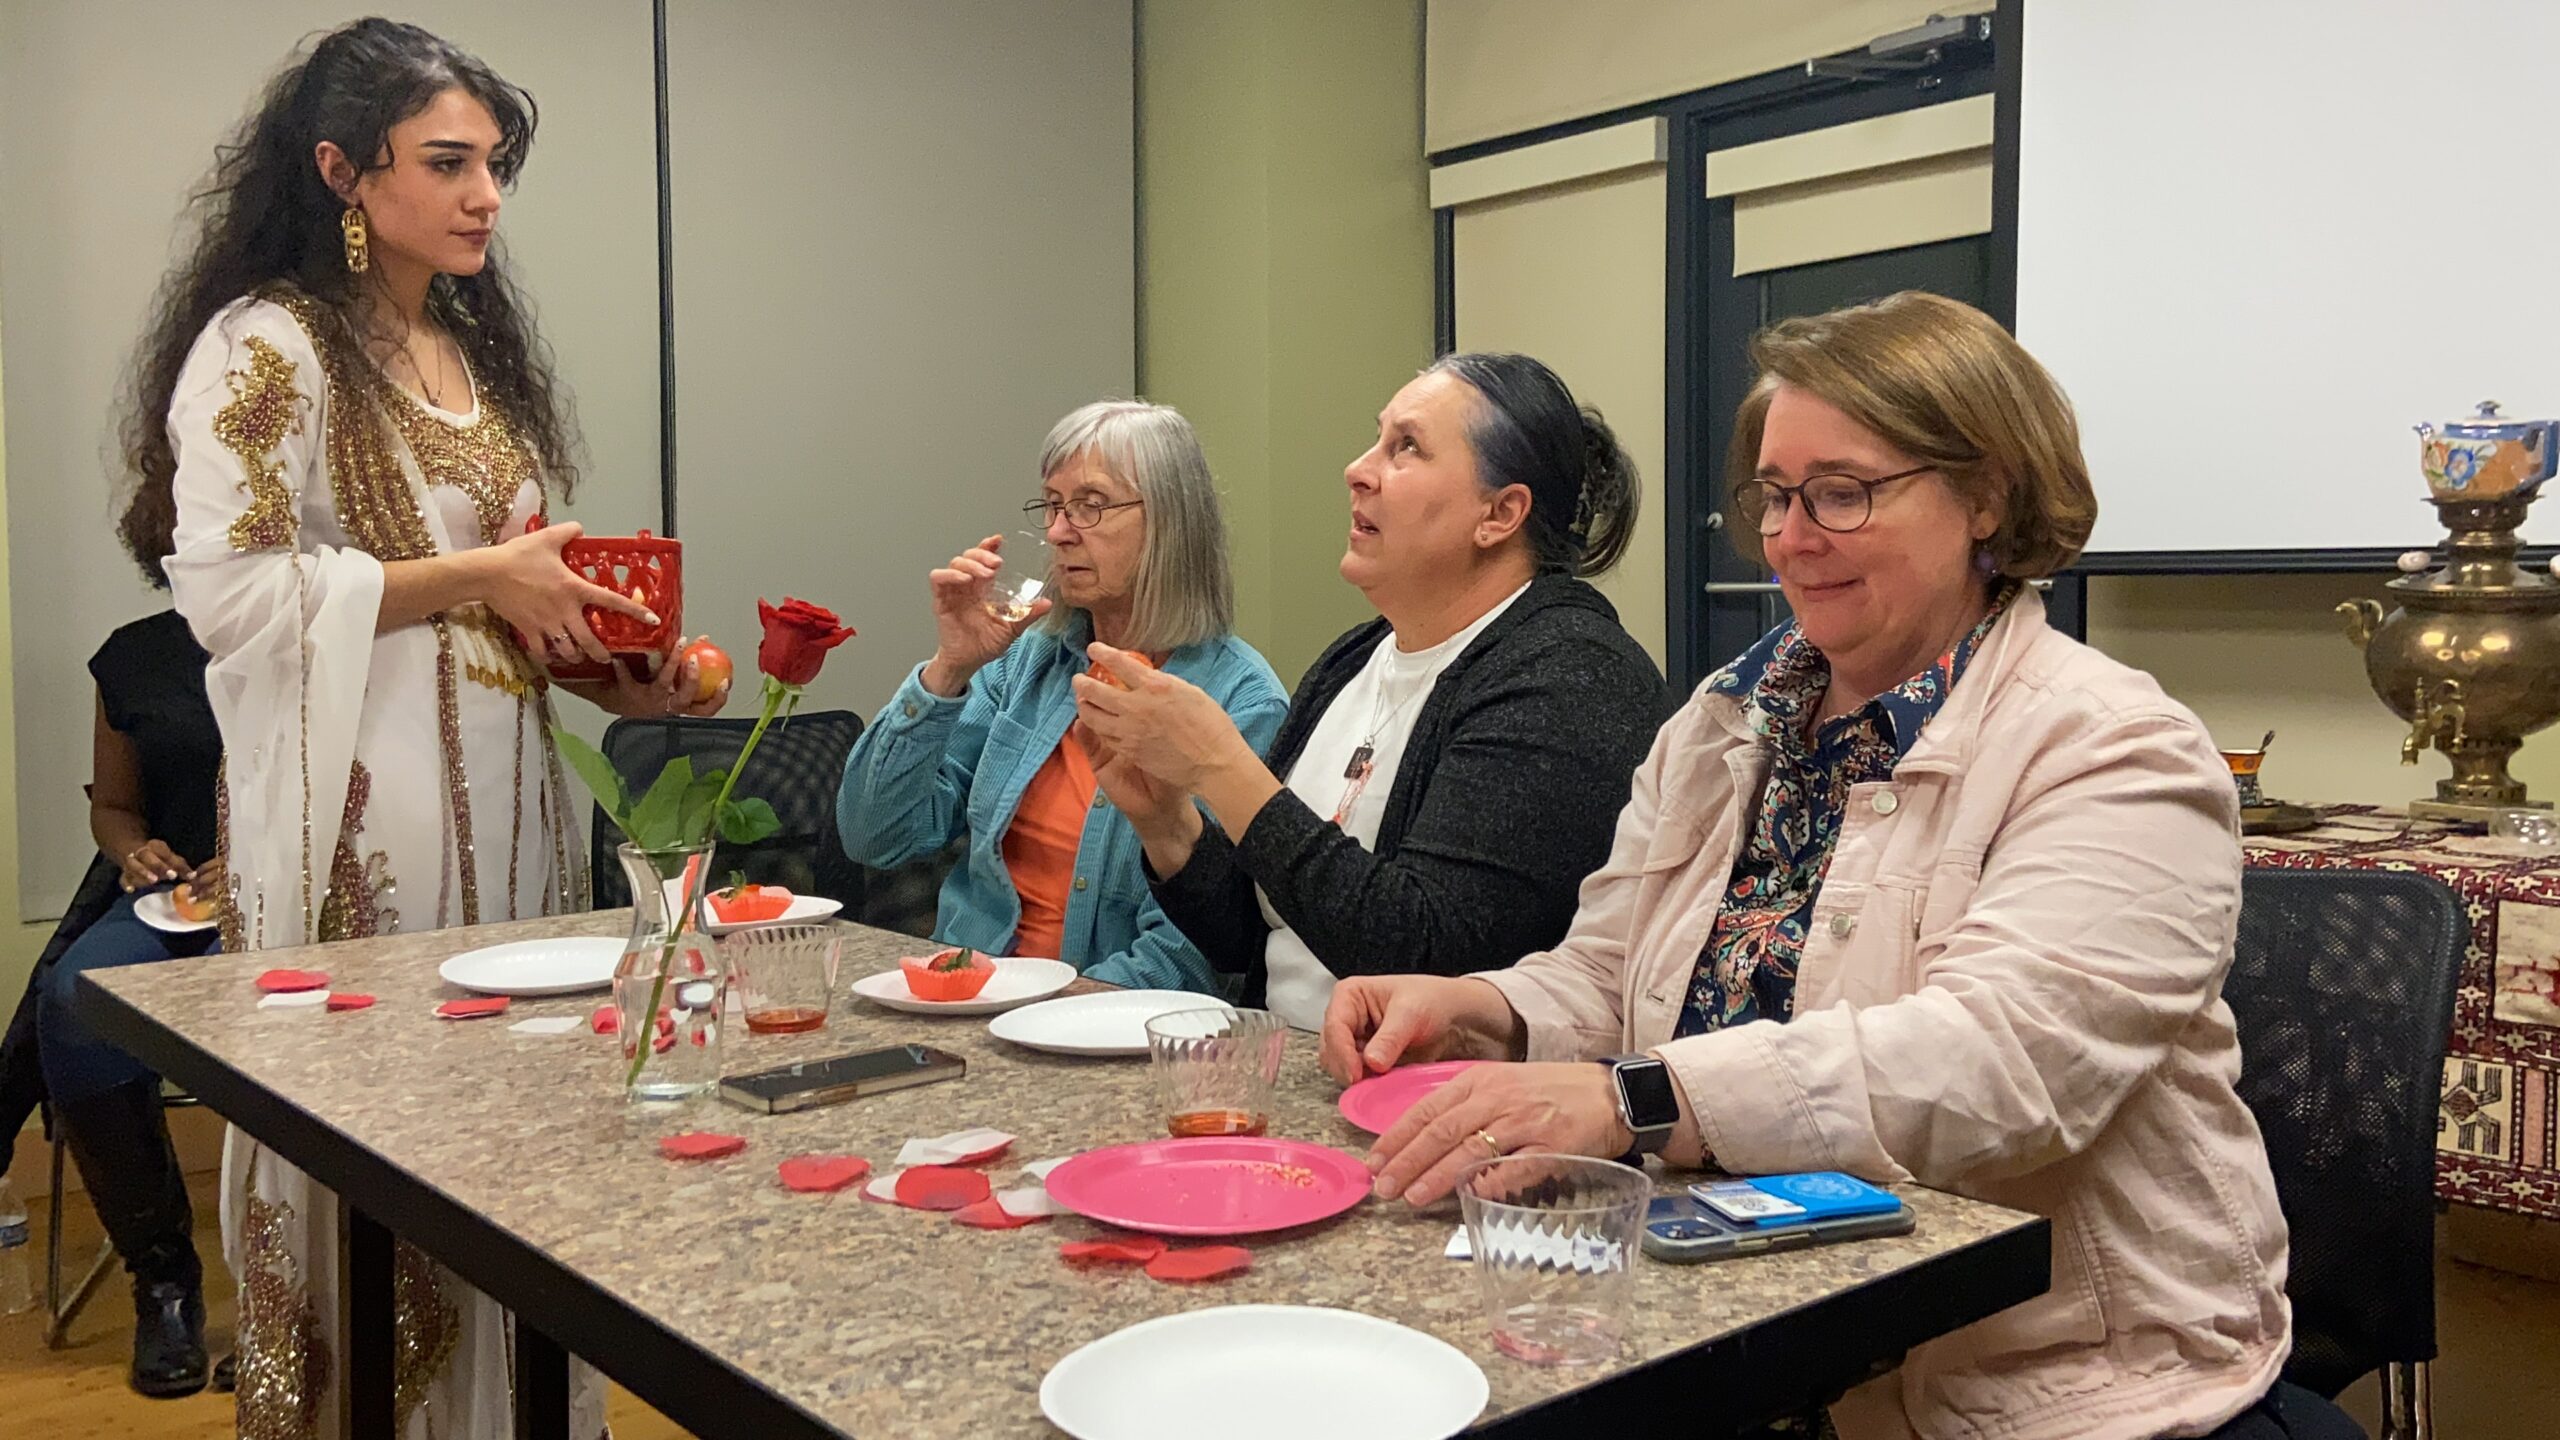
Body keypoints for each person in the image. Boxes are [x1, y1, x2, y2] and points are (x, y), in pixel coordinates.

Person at [1328, 294, 2349, 1440]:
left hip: (2045, 1385)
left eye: (1843, 493)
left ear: (1986, 496)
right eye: (1773, 495)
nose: (1789, 537)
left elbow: (2001, 1068)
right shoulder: (1722, 725)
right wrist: (1485, 1011)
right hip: (1738, 1327)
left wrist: (1635, 1100)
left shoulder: (2111, 746)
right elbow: (1613, 971)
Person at [135, 19, 727, 1434]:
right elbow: (230, 595)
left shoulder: (461, 347)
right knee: (380, 1154)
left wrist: (617, 671)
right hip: (366, 828)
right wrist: (486, 574)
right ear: (343, 170)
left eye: (497, 167)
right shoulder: (266, 347)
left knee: (514, 1138)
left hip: (515, 816)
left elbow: (506, 617)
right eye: (449, 163)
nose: (486, 198)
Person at [1071, 353, 1665, 1030]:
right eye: (1378, 439)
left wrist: (1220, 766)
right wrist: (1168, 823)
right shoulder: (1356, 657)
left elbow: (1426, 958)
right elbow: (1256, 940)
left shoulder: (1571, 677)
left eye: (1405, 447)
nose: (1358, 470)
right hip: (1288, 1073)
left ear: (1499, 514)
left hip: (1440, 1106)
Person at [837, 401, 1288, 991]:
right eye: (1052, 505)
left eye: (1090, 506)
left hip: (1099, 1032)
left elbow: (1189, 956)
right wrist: (950, 669)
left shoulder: (1242, 702)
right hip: (966, 1002)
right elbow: (876, 835)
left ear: (1171, 522)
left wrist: (1026, 1012)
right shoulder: (1030, 663)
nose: (1056, 532)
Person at [15, 515, 223, 1396]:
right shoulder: (130, 658)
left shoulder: (327, 639)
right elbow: (115, 806)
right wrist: (131, 850)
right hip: (181, 905)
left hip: (314, 893)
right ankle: (164, 1277)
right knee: (74, 1002)